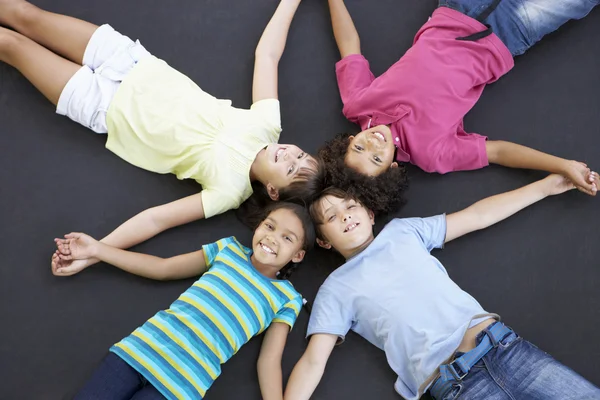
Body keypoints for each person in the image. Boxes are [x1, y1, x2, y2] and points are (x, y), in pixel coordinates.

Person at [0, 0, 322, 274]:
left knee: (11, 46)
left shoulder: (229, 192)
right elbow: (267, 55)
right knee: (26, 15)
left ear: (273, 192)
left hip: (101, 106)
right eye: (300, 154)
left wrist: (95, 252)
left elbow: (156, 220)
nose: (290, 155)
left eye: (292, 168)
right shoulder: (267, 124)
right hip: (130, 62)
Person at [284, 176, 600, 399]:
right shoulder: (335, 288)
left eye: (350, 207)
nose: (345, 216)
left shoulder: (403, 232)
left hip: (505, 348)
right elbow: (313, 361)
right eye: (331, 217)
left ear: (368, 213)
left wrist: (544, 187)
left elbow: (478, 215)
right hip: (457, 386)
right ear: (324, 240)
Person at [318, 0, 599, 214]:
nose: (373, 145)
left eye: (359, 148)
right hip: (509, 32)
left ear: (351, 140)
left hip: (456, 7)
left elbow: (349, 45)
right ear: (391, 167)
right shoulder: (432, 154)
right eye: (377, 159)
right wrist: (563, 165)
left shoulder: (357, 104)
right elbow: (498, 152)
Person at [52, 201, 314, 399]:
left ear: (298, 255)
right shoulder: (228, 249)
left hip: (180, 387)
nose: (272, 237)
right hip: (139, 352)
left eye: (287, 238)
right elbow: (163, 268)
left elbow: (269, 360)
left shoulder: (286, 298)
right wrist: (97, 249)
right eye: (269, 226)